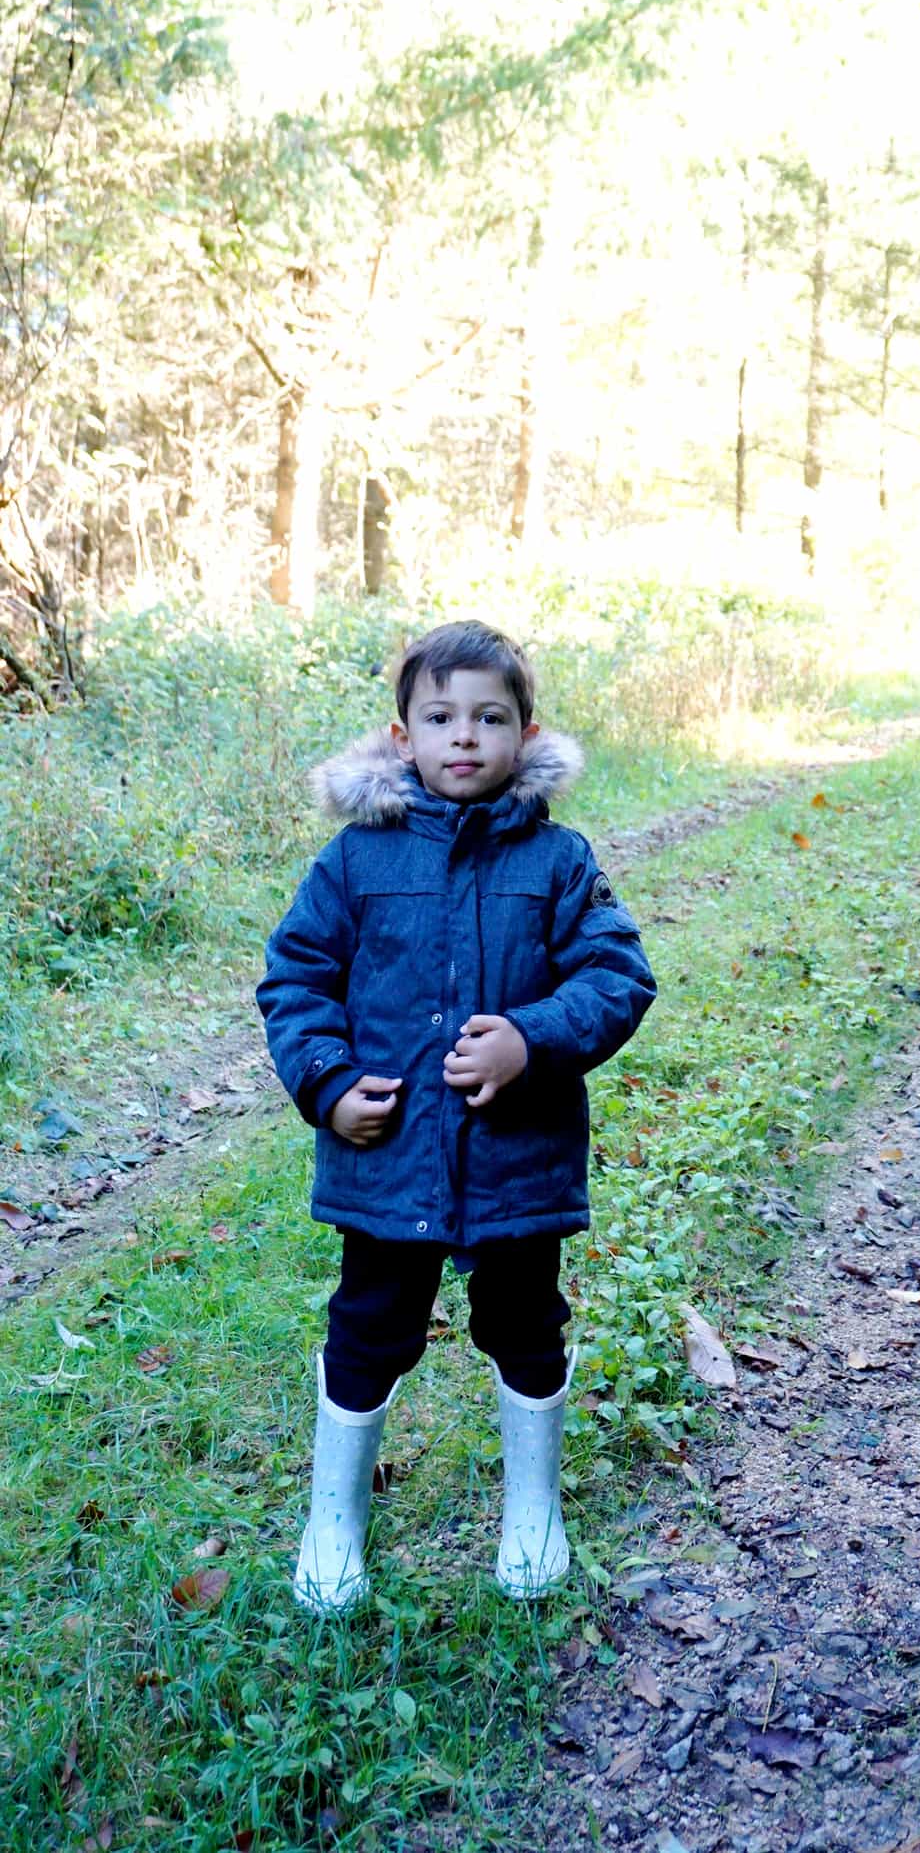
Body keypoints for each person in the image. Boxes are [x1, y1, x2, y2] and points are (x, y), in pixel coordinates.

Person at [257, 619, 656, 1612]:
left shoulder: (558, 861)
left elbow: (616, 975)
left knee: (523, 1322)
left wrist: (532, 1038)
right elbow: (295, 977)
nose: (464, 737)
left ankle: (533, 1512)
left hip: (516, 1160)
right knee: (368, 1325)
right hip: (386, 1160)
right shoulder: (356, 861)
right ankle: (334, 1519)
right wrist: (326, 1082)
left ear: (525, 733)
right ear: (402, 737)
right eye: (440, 717)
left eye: (488, 717)